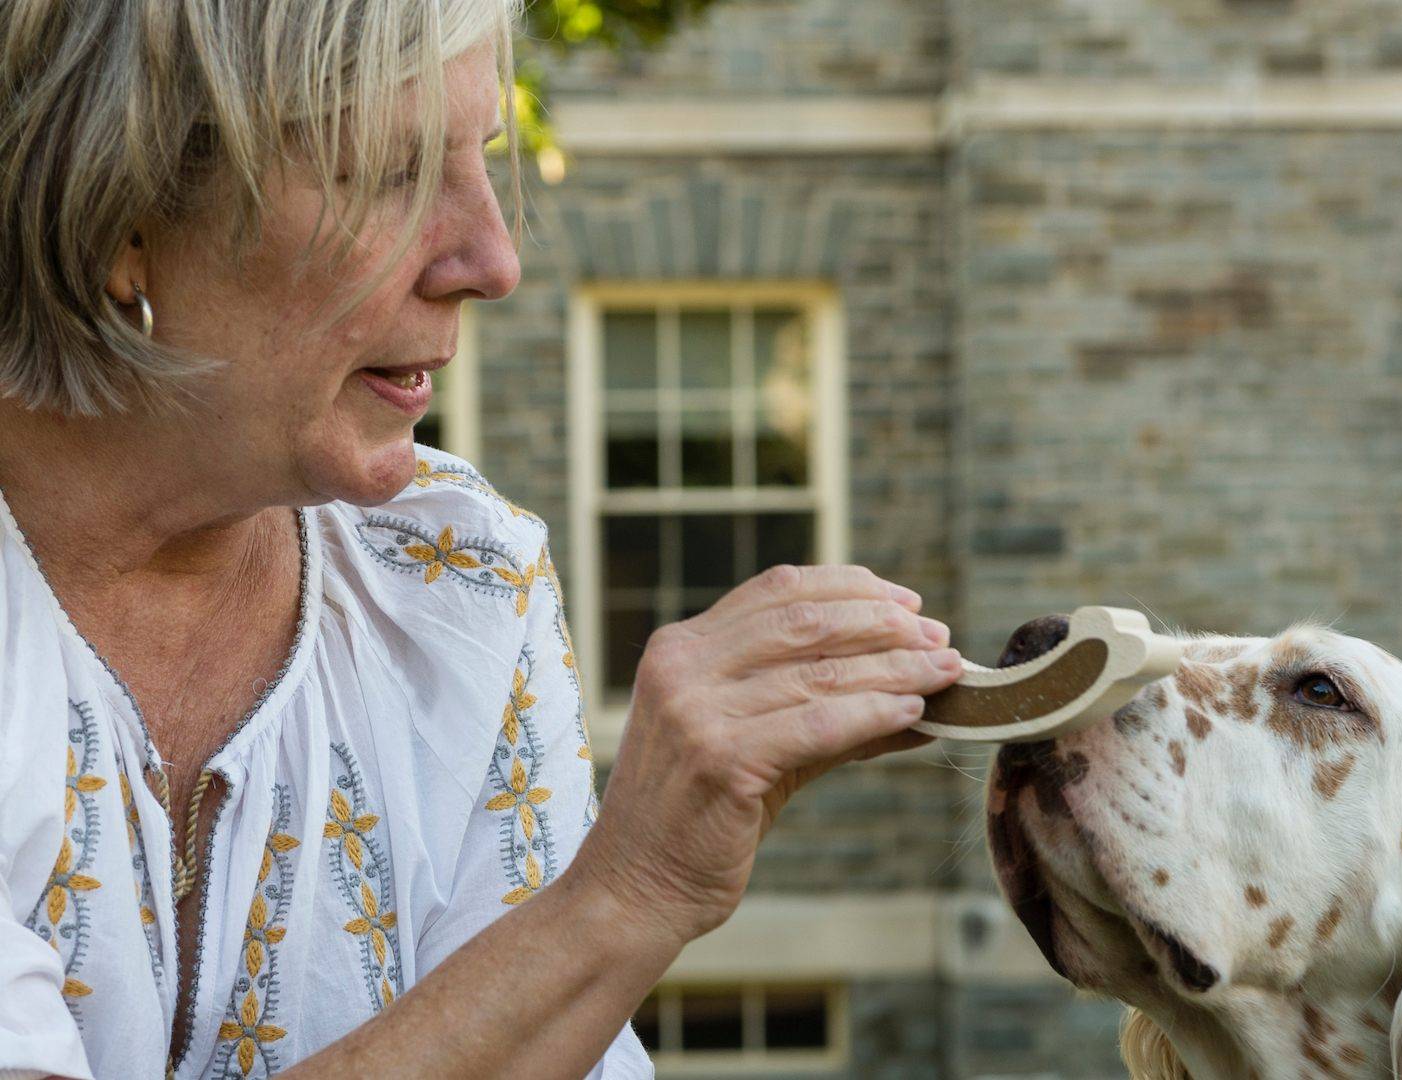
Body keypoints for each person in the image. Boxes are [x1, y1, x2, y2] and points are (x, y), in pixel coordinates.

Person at [0, 2, 963, 1077]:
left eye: (481, 159)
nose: (491, 259)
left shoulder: (455, 584)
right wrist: (627, 894)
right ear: (118, 220)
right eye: (392, 170)